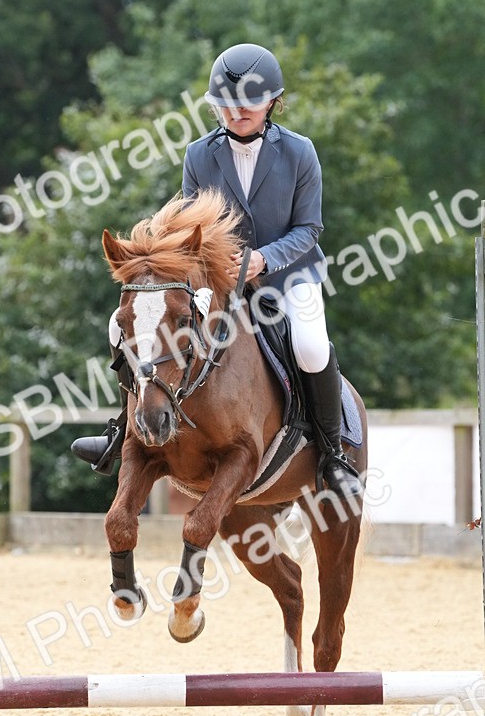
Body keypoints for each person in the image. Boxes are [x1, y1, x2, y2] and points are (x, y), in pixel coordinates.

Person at [72, 42, 361, 498]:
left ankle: (331, 454)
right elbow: (186, 228)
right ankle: (123, 432)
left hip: (289, 275)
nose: (237, 111)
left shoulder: (300, 153)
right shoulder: (199, 155)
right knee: (144, 329)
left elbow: (310, 227)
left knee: (308, 345)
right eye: (226, 104)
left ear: (272, 102)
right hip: (222, 282)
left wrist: (264, 258)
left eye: (248, 102)